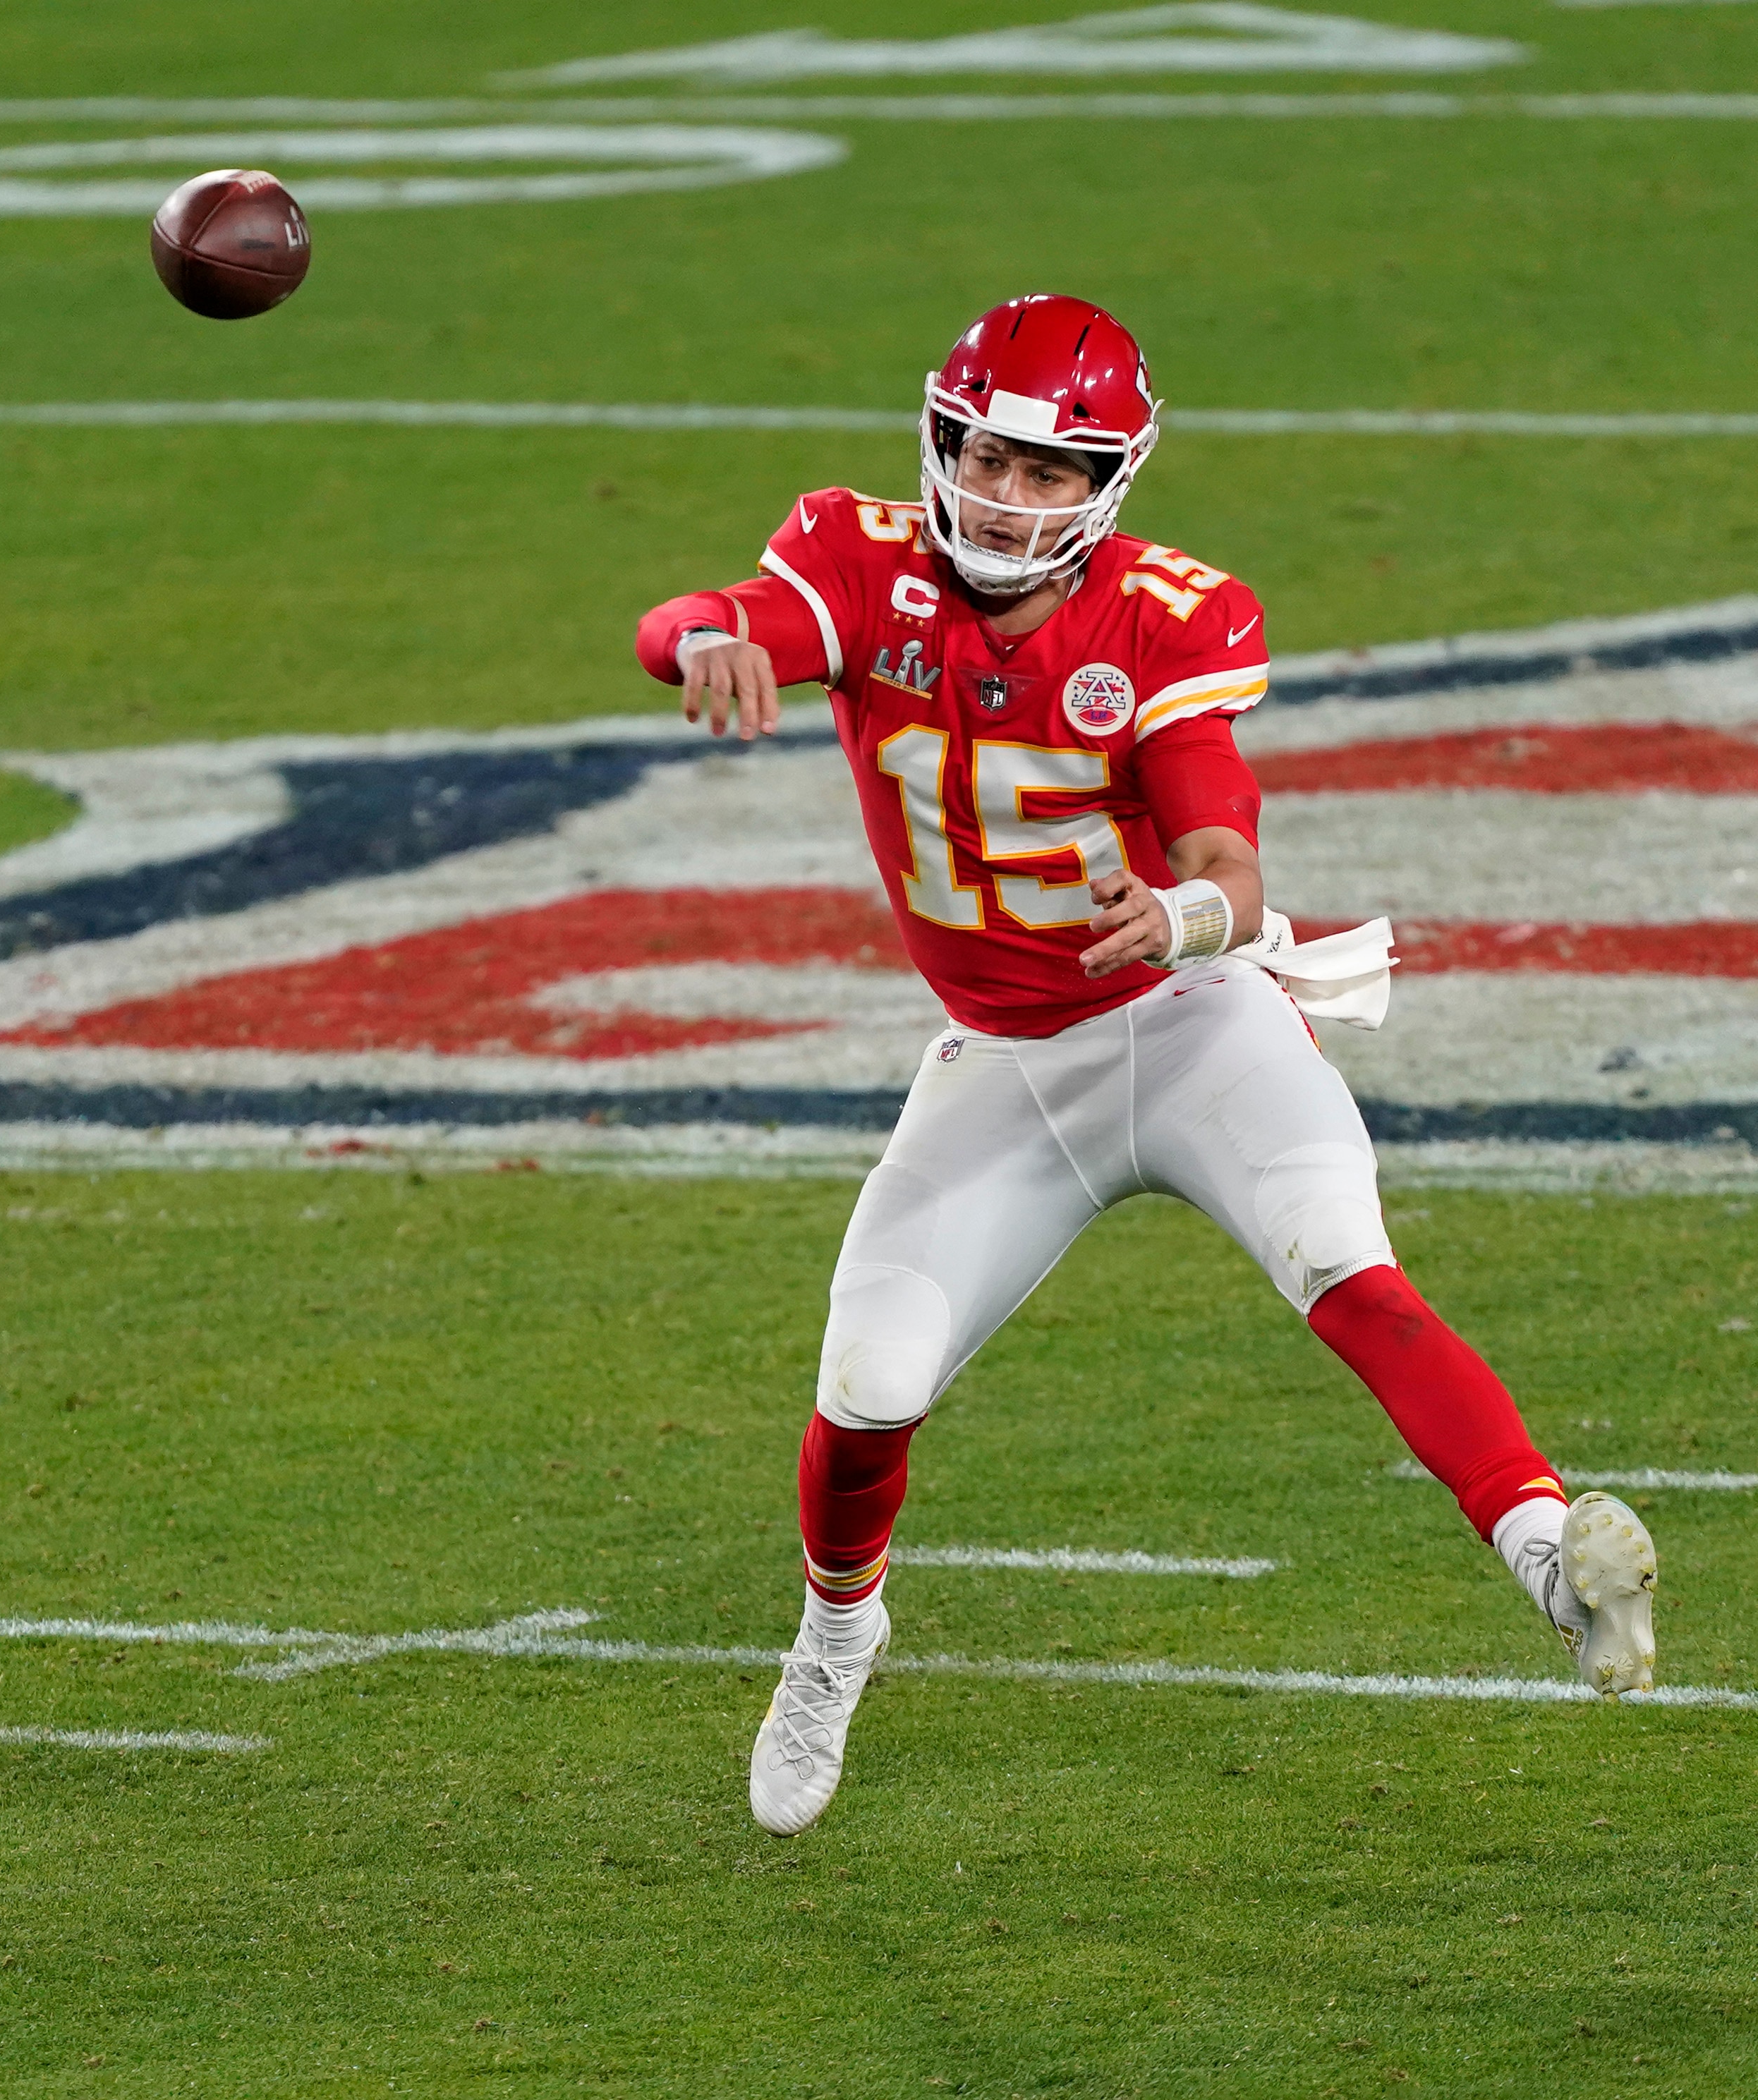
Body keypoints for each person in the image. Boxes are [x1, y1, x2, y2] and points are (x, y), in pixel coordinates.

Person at [635, 293, 1659, 1838]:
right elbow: (695, 617)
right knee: (866, 1392)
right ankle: (838, 1637)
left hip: (1188, 1026)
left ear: (1108, 485)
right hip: (1006, 1058)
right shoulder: (862, 564)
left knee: (1351, 1271)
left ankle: (1552, 1566)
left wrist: (1180, 912)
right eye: (989, 456)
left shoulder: (1168, 616)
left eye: (1052, 475)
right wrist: (707, 632)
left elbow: (1226, 857)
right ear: (943, 441)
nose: (1007, 495)